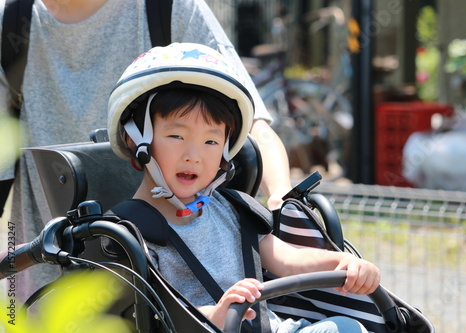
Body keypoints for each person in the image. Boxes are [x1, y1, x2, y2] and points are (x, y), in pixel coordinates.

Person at [0, 0, 291, 301]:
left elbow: (250, 121)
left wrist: (281, 199)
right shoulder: (10, 24)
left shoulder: (168, 8)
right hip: (46, 271)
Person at [106, 42, 379, 332]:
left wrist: (343, 262)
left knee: (348, 327)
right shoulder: (131, 235)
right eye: (176, 135)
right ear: (135, 139)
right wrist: (216, 315)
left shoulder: (232, 209)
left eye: (211, 142)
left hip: (268, 327)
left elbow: (288, 259)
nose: (194, 155)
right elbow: (151, 319)